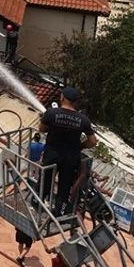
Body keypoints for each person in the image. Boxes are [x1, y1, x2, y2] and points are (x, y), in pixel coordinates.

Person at [39, 86, 97, 216]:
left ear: (62, 97)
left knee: (46, 180)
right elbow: (93, 141)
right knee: (65, 186)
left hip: (52, 155)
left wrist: (53, 128)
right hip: (71, 158)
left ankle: (37, 203)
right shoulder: (83, 119)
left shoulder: (51, 113)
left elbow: (42, 129)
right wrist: (81, 146)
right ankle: (60, 210)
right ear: (75, 101)